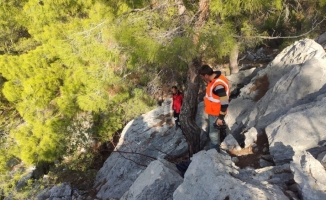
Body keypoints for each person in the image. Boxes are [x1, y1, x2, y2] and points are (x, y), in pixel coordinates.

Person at [199, 64, 230, 152]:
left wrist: (220, 118)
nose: (202, 79)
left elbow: (224, 102)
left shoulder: (218, 86)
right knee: (214, 133)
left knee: (213, 136)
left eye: (202, 77)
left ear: (206, 75)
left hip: (216, 114)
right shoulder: (214, 78)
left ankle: (215, 154)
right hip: (213, 112)